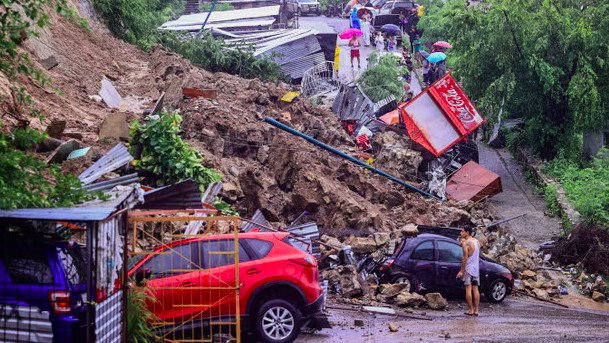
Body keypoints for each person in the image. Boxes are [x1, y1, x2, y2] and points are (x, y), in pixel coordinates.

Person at [457, 226, 481, 316]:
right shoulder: (477, 242)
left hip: (468, 268)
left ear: (467, 232)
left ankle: (470, 310)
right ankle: (477, 310)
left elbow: (465, 258)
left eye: (462, 231)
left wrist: (461, 271)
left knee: (468, 288)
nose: (460, 233)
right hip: (476, 269)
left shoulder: (465, 243)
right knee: (475, 288)